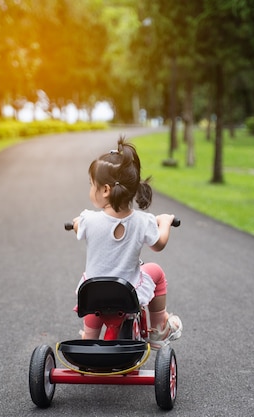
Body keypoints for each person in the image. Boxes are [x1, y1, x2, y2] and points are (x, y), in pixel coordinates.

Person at [69, 136, 182, 348]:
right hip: (127, 294)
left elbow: (77, 226)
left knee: (94, 300)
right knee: (155, 270)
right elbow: (159, 244)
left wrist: (76, 223)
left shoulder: (88, 220)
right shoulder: (143, 221)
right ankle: (158, 330)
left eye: (91, 185)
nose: (90, 189)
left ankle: (89, 338)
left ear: (105, 190)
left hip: (93, 294)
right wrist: (165, 222)